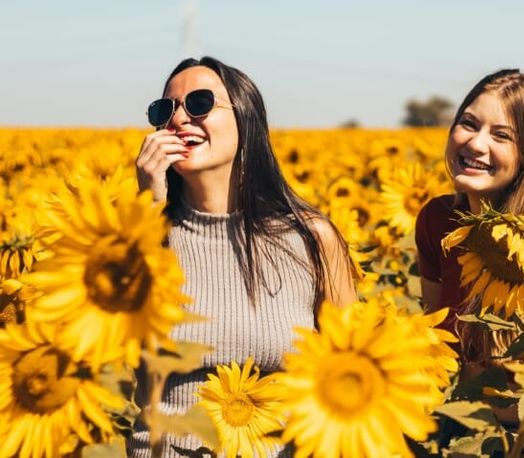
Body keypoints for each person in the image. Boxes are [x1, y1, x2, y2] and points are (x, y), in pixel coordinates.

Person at [130, 56, 356, 456]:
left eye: (199, 103)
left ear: (246, 118)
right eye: (165, 110)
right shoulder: (141, 235)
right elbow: (108, 346)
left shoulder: (311, 239)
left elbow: (350, 373)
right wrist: (147, 210)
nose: (179, 119)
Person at [414, 68, 524, 367]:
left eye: (501, 135)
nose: (476, 144)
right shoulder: (437, 220)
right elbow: (434, 332)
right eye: (468, 124)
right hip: (447, 403)